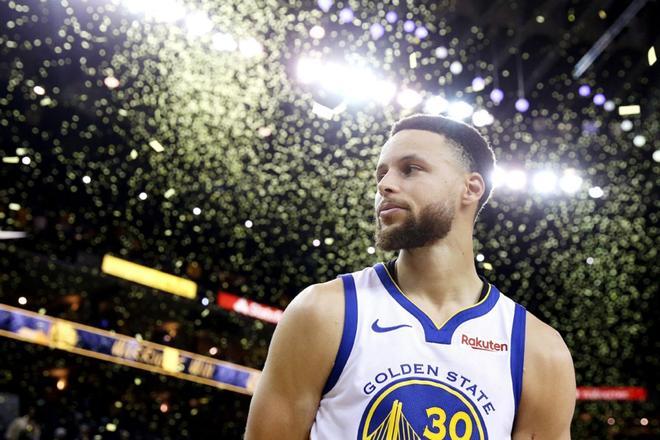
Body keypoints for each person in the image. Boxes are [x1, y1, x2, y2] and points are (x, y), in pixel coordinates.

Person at [245, 114, 576, 439]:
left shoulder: (540, 351)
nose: (385, 185)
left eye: (410, 169)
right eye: (382, 173)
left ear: (470, 187)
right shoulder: (324, 311)